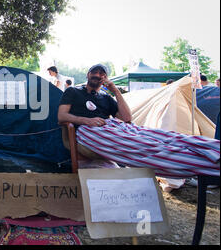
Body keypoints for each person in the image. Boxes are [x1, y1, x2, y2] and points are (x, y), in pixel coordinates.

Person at [58, 64, 219, 178]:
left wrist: (115, 91)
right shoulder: (73, 91)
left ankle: (212, 148)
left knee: (158, 136)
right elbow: (62, 116)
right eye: (95, 72)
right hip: (87, 131)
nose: (98, 75)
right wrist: (86, 121)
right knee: (147, 147)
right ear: (88, 74)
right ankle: (208, 163)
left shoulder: (106, 97)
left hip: (112, 126)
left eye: (102, 74)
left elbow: (127, 118)